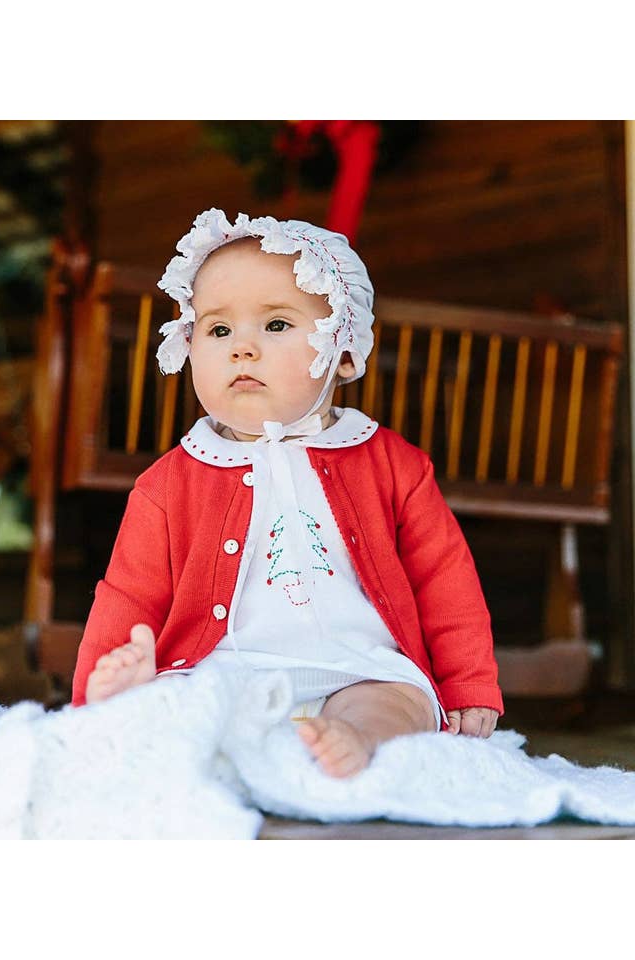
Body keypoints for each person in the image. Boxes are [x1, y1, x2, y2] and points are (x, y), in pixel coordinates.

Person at [71, 208, 502, 779]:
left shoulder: (393, 464)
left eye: (275, 325)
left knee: (399, 704)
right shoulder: (169, 483)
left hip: (359, 667)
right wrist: (91, 689)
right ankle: (127, 709)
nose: (242, 348)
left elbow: (444, 578)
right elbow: (127, 595)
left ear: (344, 351)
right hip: (222, 668)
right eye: (218, 330)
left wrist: (468, 682)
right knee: (183, 702)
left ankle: (355, 736)